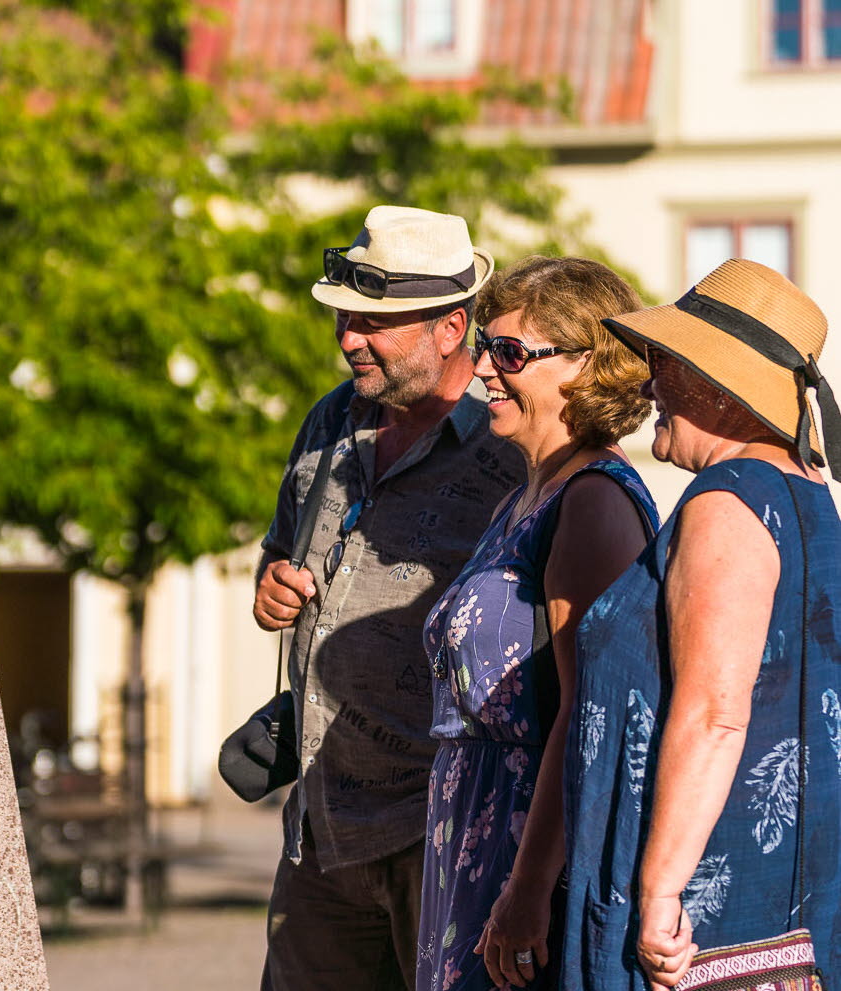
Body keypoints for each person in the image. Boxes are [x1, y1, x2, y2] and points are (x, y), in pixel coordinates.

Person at [253, 205, 524, 991]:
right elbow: (279, 550)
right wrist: (270, 586)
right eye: (344, 317)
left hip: (438, 835)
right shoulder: (330, 422)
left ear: (451, 327)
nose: (347, 338)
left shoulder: (509, 450)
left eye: (374, 324)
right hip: (319, 831)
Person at [562, 258, 841, 989]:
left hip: (704, 919)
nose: (652, 379)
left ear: (721, 388)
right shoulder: (807, 494)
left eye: (670, 362)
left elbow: (716, 712)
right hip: (784, 904)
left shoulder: (728, 499)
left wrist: (658, 892)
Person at [418, 257, 658, 991]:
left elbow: (586, 716)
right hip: (471, 841)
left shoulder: (591, 501)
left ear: (587, 366)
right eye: (486, 345)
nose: (485, 368)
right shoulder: (523, 499)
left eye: (512, 352)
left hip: (524, 853)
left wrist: (526, 891)